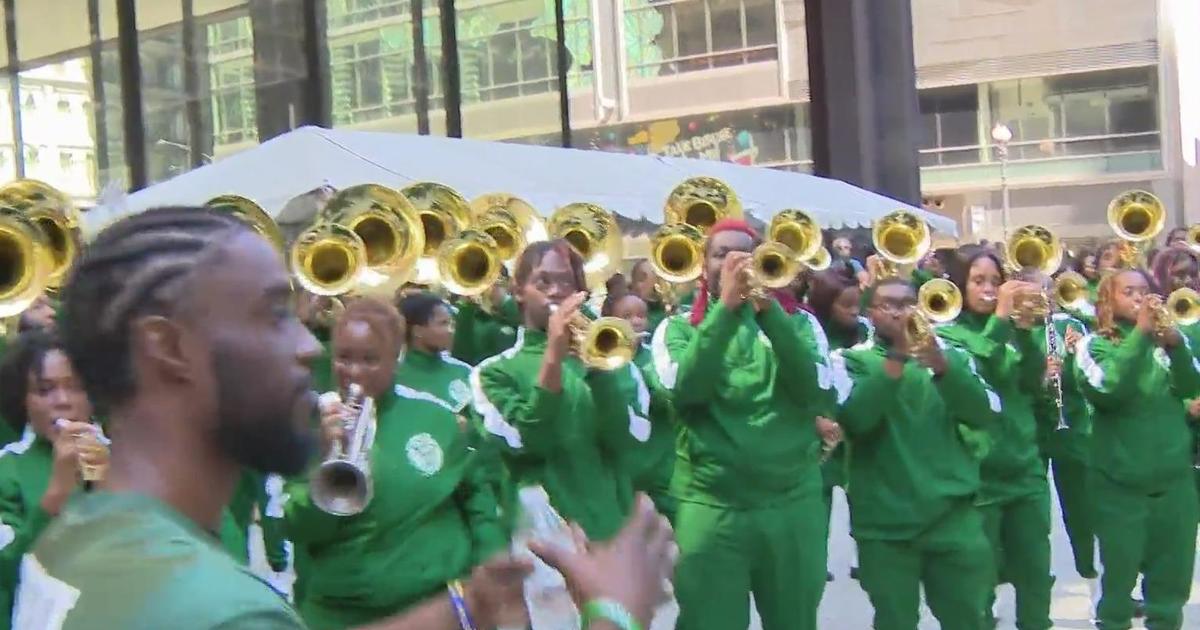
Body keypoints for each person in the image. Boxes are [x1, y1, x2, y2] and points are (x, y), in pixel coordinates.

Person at [15, 208, 534, 630]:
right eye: (272, 316)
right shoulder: (220, 608)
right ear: (170, 346)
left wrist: (461, 609)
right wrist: (607, 610)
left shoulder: (73, 535)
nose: (310, 347)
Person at [652, 218, 835, 630]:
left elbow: (814, 390)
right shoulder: (678, 329)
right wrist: (727, 313)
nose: (736, 263)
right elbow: (685, 391)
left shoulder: (801, 325)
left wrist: (768, 310)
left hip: (790, 506)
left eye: (746, 255)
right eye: (722, 254)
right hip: (712, 509)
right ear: (704, 267)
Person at [283, 296, 508, 629]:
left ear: (396, 359)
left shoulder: (437, 417)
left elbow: (479, 502)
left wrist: (489, 569)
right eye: (344, 358)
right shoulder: (313, 424)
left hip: (434, 608)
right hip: (340, 615)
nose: (354, 372)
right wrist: (323, 460)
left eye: (370, 360)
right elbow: (297, 528)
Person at [830, 277, 997, 630]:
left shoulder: (954, 357)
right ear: (870, 314)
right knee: (895, 621)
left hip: (953, 519)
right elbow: (857, 420)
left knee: (970, 619)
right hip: (884, 525)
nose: (900, 312)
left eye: (907, 303)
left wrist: (943, 366)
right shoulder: (849, 359)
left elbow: (982, 413)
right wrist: (898, 358)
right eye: (888, 305)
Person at [470, 239, 641, 541]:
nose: (556, 291)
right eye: (543, 281)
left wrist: (597, 370)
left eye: (566, 282)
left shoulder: (613, 358)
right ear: (519, 291)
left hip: (613, 530)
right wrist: (552, 356)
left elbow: (624, 441)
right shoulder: (492, 372)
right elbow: (530, 443)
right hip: (544, 540)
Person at [1074, 268, 1200, 629]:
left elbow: (1192, 385)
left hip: (1174, 486)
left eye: (1145, 291)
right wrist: (1142, 335)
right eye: (1128, 291)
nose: (1139, 298)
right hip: (1119, 489)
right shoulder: (1092, 345)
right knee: (1118, 587)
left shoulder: (1169, 343)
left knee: (1171, 589)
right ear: (1108, 300)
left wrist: (1175, 347)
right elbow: (1109, 389)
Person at [936, 249, 1053, 630]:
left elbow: (1034, 385)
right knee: (977, 583)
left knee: (1035, 574)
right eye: (978, 280)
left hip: (1025, 469)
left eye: (995, 280)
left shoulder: (1015, 329)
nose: (989, 289)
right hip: (977, 477)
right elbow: (977, 372)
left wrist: (1029, 333)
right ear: (959, 285)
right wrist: (1002, 320)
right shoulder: (946, 332)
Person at [0, 331, 101, 628]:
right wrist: (55, 497)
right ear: (23, 400)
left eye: (76, 388)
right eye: (45, 390)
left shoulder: (129, 459)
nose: (63, 402)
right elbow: (7, 571)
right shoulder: (7, 468)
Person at [806, 268, 869, 580]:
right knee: (819, 500)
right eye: (847, 306)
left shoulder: (865, 333)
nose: (855, 312)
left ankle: (865, 557)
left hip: (856, 432)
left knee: (862, 495)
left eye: (857, 304)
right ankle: (816, 560)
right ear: (826, 304)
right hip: (823, 433)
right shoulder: (812, 333)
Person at [601, 291, 676, 522]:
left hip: (664, 464)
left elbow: (667, 396)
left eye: (642, 315)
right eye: (627, 316)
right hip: (624, 469)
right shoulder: (601, 362)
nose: (636, 321)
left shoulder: (655, 355)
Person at [396, 292, 474, 410]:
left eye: (451, 324)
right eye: (443, 323)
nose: (450, 330)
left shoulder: (464, 372)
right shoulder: (393, 378)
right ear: (418, 331)